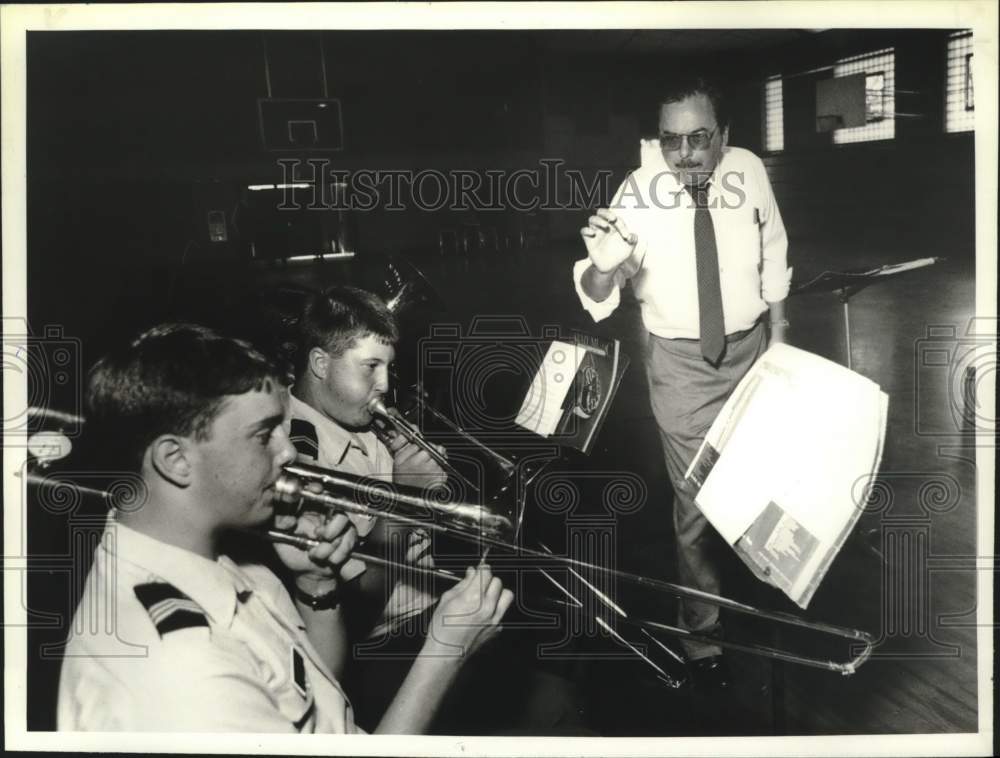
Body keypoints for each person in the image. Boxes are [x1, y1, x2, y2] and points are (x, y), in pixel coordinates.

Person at [57, 323, 512, 733]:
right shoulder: (178, 668)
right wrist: (445, 652)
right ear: (175, 460)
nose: (288, 452)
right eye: (264, 434)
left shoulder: (214, 553)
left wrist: (316, 586)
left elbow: (317, 689)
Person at [573, 75, 791, 688]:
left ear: (724, 135)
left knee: (763, 485)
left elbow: (773, 246)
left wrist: (781, 332)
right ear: (658, 141)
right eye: (672, 141)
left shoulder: (748, 170)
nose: (687, 154)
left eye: (700, 137)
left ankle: (772, 600)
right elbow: (596, 292)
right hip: (680, 367)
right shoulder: (636, 194)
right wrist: (601, 268)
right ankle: (702, 637)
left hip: (751, 351)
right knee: (697, 503)